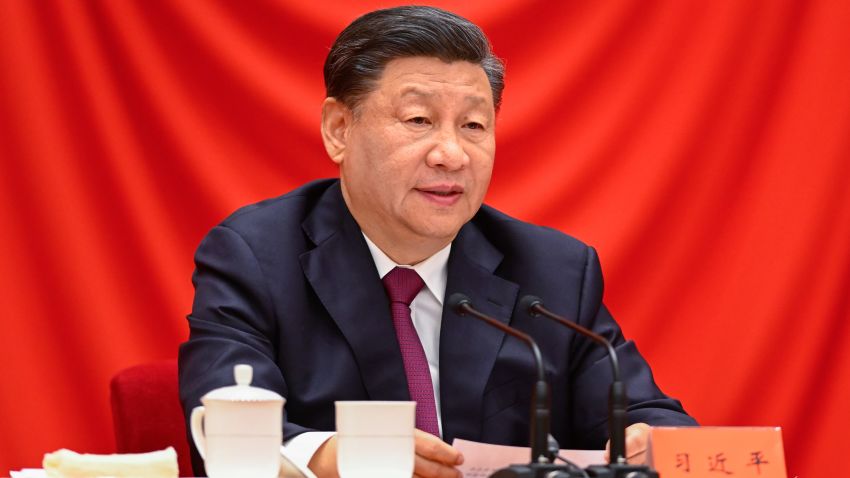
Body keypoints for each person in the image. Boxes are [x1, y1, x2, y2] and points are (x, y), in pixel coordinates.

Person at [178, 6, 696, 478]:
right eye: (419, 120)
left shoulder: (554, 270)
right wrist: (337, 456)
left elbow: (649, 416)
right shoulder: (255, 256)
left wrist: (650, 442)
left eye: (473, 125)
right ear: (338, 129)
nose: (451, 154)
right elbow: (223, 435)